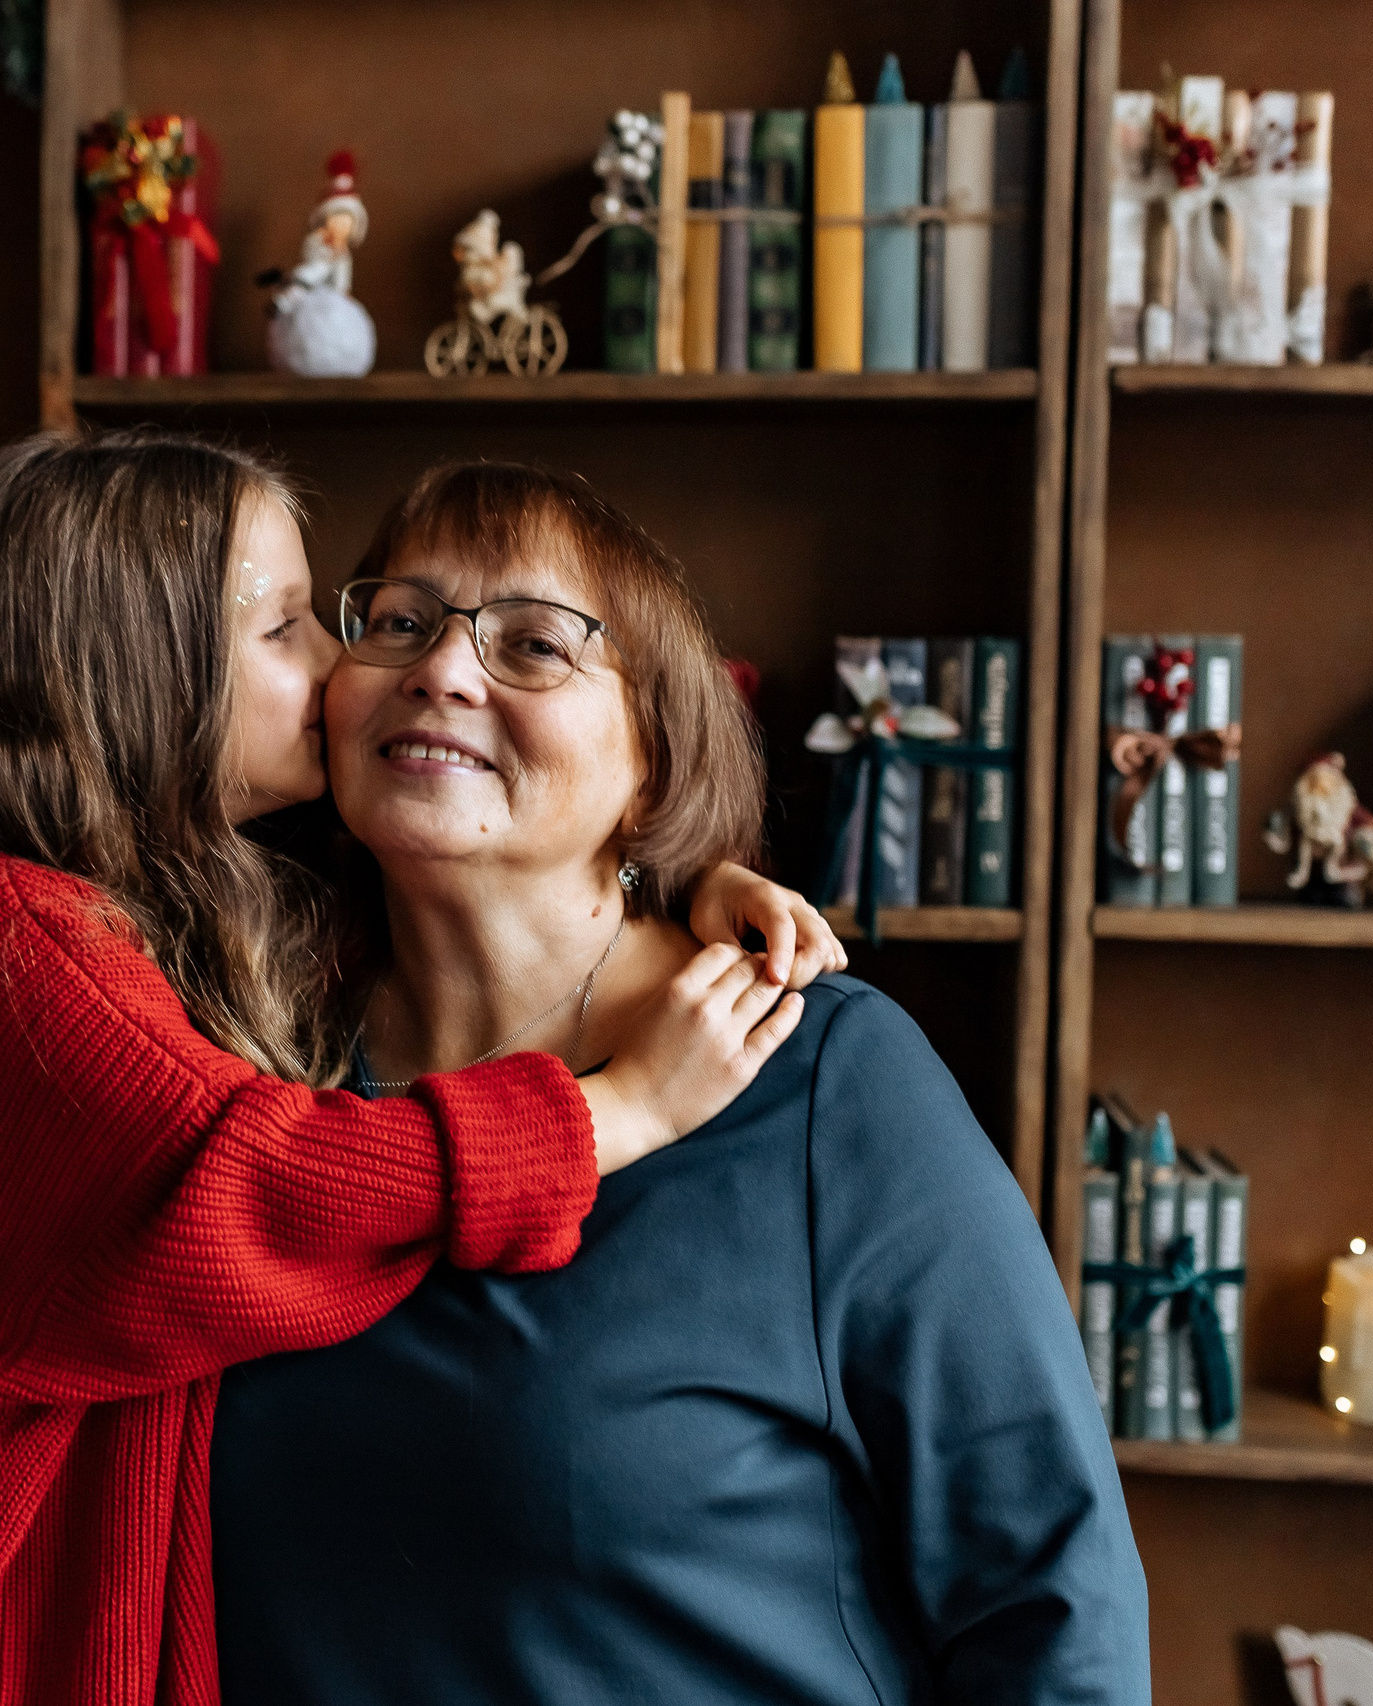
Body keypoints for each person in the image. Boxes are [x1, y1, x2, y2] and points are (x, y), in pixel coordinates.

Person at [0, 430, 841, 1706]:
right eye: (289, 627)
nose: (342, 669)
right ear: (137, 675)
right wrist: (612, 1112)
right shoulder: (15, 929)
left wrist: (687, 877)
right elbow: (257, 1175)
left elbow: (493, 844)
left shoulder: (237, 906)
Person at [202, 463, 1147, 1703]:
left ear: (651, 758)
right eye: (398, 622)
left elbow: (1053, 1595)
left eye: (534, 643)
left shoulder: (820, 1079)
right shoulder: (232, 1051)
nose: (442, 668)